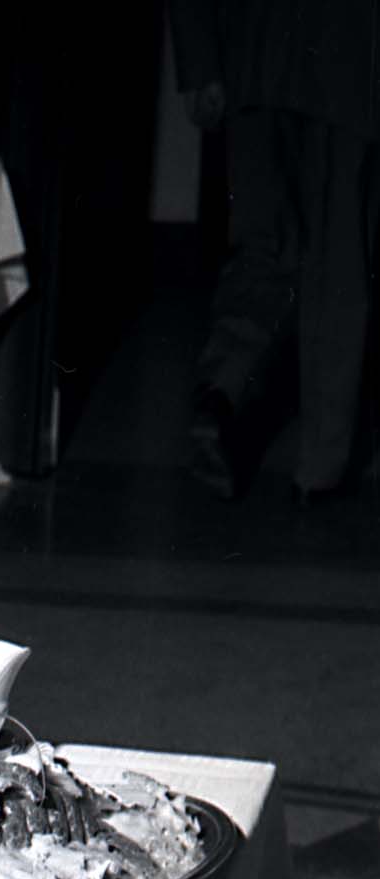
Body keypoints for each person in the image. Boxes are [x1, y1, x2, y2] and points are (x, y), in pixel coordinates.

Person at [171, 0, 379, 506]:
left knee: (263, 244)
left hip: (255, 52)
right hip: (349, 55)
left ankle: (222, 391)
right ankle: (320, 467)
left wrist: (200, 62)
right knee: (337, 256)